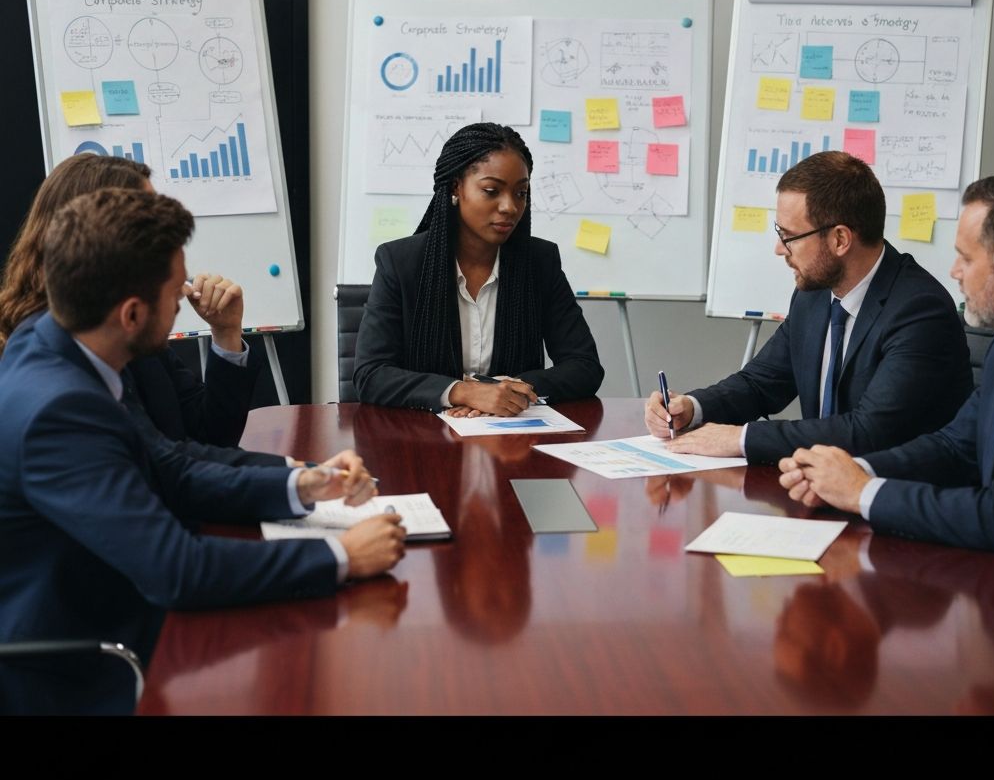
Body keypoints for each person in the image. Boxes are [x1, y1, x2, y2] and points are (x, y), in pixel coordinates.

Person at [0, 188, 407, 672]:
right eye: (175, 292)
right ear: (131, 314)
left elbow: (167, 467)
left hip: (120, 601)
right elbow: (176, 570)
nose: (185, 300)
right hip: (89, 656)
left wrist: (302, 483)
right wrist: (340, 555)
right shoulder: (59, 411)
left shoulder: (52, 342)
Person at [644, 151, 973, 463]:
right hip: (823, 489)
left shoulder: (919, 311)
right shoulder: (813, 296)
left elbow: (868, 432)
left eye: (789, 236)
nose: (778, 249)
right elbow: (760, 383)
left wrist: (739, 439)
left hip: (899, 501)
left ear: (840, 240)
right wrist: (692, 407)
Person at [779, 174, 994, 568]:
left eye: (966, 258)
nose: (954, 272)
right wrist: (848, 471)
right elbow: (955, 446)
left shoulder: (922, 306)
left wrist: (862, 492)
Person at [0, 154, 258, 449]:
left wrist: (226, 334)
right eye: (147, 220)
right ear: (97, 229)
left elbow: (209, 437)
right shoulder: (51, 354)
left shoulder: (132, 326)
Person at [353, 123, 604, 414]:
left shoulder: (539, 261)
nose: (509, 207)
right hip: (422, 436)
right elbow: (370, 374)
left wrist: (508, 392)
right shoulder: (400, 262)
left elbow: (584, 366)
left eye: (521, 193)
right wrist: (462, 392)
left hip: (511, 439)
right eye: (491, 190)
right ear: (456, 187)